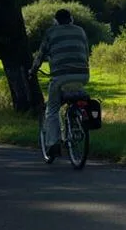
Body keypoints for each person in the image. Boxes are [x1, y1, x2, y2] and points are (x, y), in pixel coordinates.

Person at [29, 9, 90, 158]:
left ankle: (53, 143)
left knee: (52, 109)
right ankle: (76, 123)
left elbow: (40, 55)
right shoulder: (80, 31)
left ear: (55, 21)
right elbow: (86, 52)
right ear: (71, 19)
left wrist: (33, 71)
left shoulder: (51, 32)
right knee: (75, 95)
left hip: (60, 77)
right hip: (83, 75)